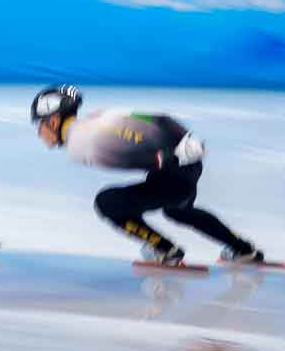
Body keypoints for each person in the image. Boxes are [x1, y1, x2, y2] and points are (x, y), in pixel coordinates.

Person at [30, 84, 264, 269]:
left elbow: (128, 158)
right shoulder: (100, 116)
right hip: (186, 163)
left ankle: (165, 250)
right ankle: (244, 250)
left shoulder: (78, 145)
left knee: (106, 202)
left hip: (170, 170)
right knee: (179, 211)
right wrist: (187, 142)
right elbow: (160, 119)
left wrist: (166, 158)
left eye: (39, 125)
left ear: (53, 119)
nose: (39, 133)